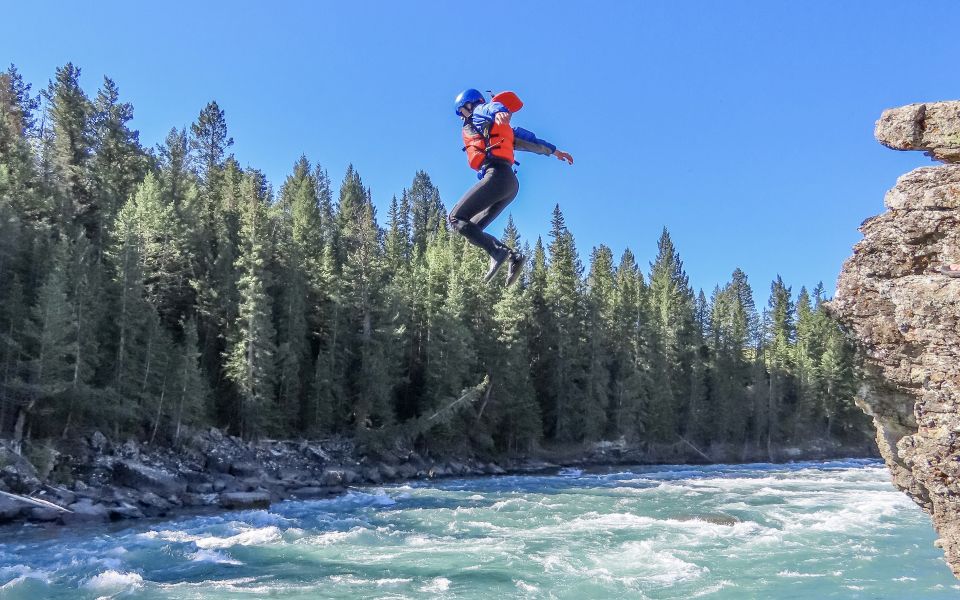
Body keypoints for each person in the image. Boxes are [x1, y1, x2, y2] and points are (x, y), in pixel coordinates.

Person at [449, 89, 573, 286]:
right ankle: (513, 257)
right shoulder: (501, 131)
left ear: (469, 105)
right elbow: (532, 142)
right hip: (510, 185)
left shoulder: (480, 114)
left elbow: (489, 108)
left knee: (455, 218)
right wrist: (555, 151)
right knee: (473, 228)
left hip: (497, 177)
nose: (462, 118)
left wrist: (498, 111)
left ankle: (497, 252)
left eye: (462, 112)